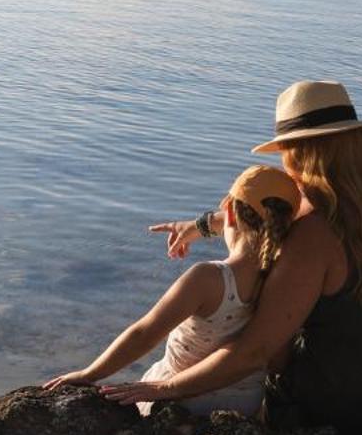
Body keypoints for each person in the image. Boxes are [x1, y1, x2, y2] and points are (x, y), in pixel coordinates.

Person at [103, 80, 362, 435]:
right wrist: (203, 224)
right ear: (358, 142)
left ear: (298, 155)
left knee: (271, 348)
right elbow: (273, 219)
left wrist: (164, 387)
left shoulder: (313, 237)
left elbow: (254, 351)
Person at [43, 166, 302, 417]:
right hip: (245, 404)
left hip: (181, 398)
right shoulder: (284, 282)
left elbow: (144, 334)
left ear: (230, 215)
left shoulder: (209, 278)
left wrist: (89, 374)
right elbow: (277, 360)